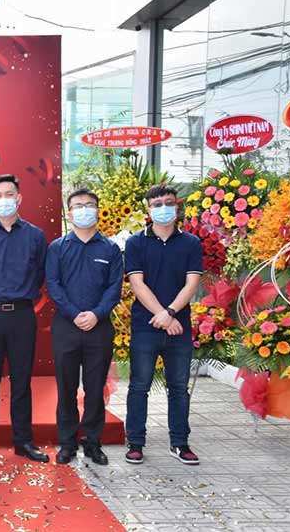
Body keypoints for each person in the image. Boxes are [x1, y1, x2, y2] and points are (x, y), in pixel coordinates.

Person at [0, 174, 49, 464]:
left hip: (22, 316)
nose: (4, 200)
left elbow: (41, 274)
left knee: (22, 381)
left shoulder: (35, 236)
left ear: (19, 198)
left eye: (9, 194)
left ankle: (23, 441)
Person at [124, 184, 203, 466]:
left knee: (179, 387)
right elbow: (137, 284)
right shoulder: (135, 243)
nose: (163, 208)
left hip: (179, 326)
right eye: (157, 204)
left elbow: (191, 284)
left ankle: (180, 443)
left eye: (169, 203)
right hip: (146, 325)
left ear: (177, 206)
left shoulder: (191, 243)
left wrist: (170, 313)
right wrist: (162, 314)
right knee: (139, 385)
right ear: (148, 209)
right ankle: (135, 443)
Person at [45, 188, 122, 465]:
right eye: (78, 205)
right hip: (66, 327)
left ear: (98, 210)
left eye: (89, 205)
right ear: (69, 213)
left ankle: (92, 442)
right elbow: (53, 285)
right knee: (66, 388)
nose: (84, 210)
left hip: (99, 328)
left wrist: (96, 314)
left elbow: (114, 288)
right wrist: (75, 313)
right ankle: (67, 443)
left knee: (95, 388)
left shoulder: (110, 248)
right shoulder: (57, 248)